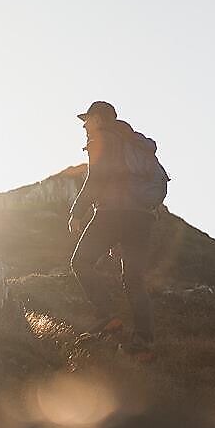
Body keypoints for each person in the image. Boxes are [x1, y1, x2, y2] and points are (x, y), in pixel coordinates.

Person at [69, 100, 166, 358]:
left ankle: (107, 317)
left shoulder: (102, 138)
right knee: (134, 279)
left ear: (99, 119)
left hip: (112, 214)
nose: (85, 126)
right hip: (141, 218)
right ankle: (143, 340)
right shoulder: (135, 142)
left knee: (80, 262)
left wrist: (77, 213)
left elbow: (96, 178)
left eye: (87, 120)